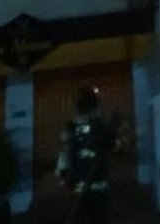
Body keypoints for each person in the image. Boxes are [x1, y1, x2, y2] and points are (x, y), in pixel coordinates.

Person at [56, 86, 120, 224]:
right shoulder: (101, 127)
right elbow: (113, 148)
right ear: (95, 106)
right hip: (98, 193)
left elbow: (63, 157)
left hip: (78, 193)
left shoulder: (71, 129)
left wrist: (64, 177)